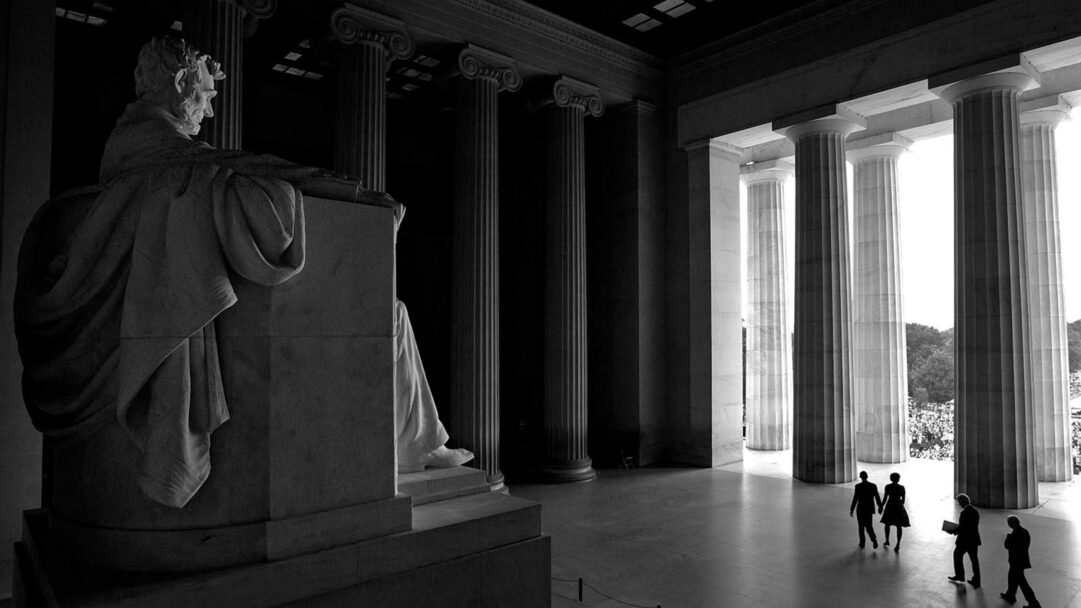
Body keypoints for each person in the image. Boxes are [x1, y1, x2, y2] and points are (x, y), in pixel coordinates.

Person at [15, 37, 468, 508]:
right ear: (179, 82)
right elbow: (234, 166)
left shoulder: (145, 147)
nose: (209, 109)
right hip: (249, 308)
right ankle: (415, 445)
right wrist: (349, 194)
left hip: (248, 306)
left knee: (393, 313)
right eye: (206, 93)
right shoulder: (154, 148)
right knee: (391, 315)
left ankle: (417, 443)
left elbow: (225, 164)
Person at [1001, 515, 1041, 607]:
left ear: (1012, 523)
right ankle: (1010, 594)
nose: (1008, 525)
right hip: (1022, 561)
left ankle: (1033, 603)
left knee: (1022, 583)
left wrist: (1008, 537)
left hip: (1015, 561)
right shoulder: (1025, 531)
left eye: (1009, 523)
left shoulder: (1015, 534)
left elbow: (1007, 545)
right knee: (1012, 578)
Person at [947, 493, 981, 588]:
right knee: (974, 560)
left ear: (963, 502)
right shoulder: (975, 511)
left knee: (957, 555)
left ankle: (960, 575)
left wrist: (952, 531)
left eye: (959, 502)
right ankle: (977, 580)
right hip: (973, 539)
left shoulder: (964, 513)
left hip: (964, 540)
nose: (959, 504)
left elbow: (962, 527)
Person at [849, 470, 883, 549]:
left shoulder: (858, 486)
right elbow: (877, 497)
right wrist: (880, 506)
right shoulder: (873, 486)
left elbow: (855, 498)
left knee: (861, 527)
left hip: (860, 508)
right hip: (869, 509)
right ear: (867, 476)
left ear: (860, 477)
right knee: (869, 525)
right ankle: (873, 539)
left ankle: (862, 542)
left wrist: (852, 509)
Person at [880, 472, 910, 552]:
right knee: (899, 526)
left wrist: (881, 506)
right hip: (898, 506)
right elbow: (903, 500)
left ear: (891, 479)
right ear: (898, 479)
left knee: (887, 524)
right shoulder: (902, 488)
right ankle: (898, 544)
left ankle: (887, 540)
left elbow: (885, 498)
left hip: (890, 506)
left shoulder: (888, 487)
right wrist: (900, 505)